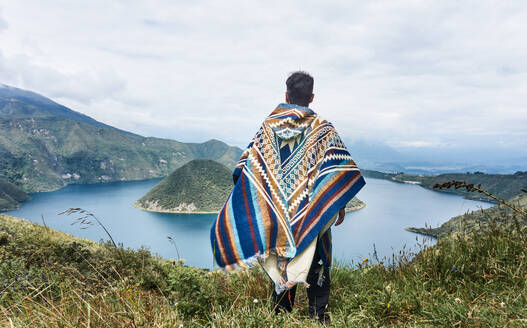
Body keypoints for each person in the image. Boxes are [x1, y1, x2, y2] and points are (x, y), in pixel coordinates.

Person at [210, 71, 365, 324]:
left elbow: (245, 168)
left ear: (286, 94)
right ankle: (318, 314)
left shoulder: (267, 128)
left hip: (277, 212)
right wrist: (340, 204)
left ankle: (281, 312)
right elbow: (337, 172)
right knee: (317, 254)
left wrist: (257, 202)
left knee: (281, 252)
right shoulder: (323, 130)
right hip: (312, 207)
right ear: (312, 97)